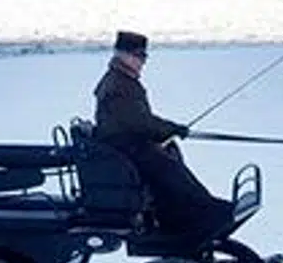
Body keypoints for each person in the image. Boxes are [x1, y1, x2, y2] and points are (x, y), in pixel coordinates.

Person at [92, 30, 236, 245]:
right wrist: (171, 129)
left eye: (144, 57)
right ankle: (196, 213)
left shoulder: (123, 81)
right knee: (166, 166)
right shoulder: (119, 85)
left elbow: (142, 121)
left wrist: (170, 131)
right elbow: (140, 122)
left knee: (170, 156)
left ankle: (192, 210)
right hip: (125, 147)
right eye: (138, 56)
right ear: (122, 55)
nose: (142, 62)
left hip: (128, 143)